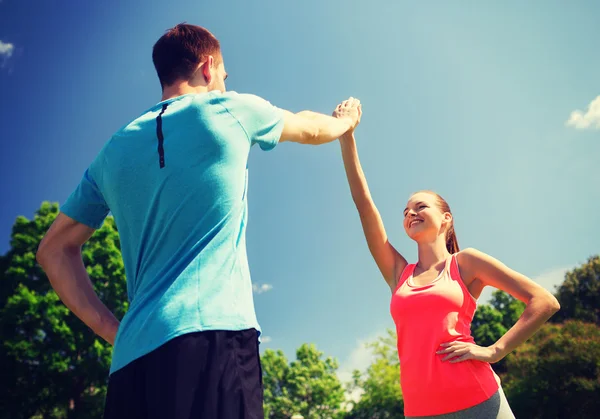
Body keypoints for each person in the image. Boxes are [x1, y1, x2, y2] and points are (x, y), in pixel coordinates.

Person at [36, 23, 360, 419]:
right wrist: (346, 120)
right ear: (208, 67)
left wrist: (113, 331)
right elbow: (311, 127)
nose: (224, 82)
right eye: (223, 74)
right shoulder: (231, 109)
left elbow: (52, 251)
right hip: (214, 339)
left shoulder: (112, 152)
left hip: (131, 363)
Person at [334, 98, 560, 418]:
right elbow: (364, 204)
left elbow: (544, 301)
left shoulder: (466, 264)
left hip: (478, 401)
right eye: (406, 211)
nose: (411, 213)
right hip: (421, 410)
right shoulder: (398, 272)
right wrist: (347, 136)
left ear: (446, 218)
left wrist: (494, 351)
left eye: (421, 207)